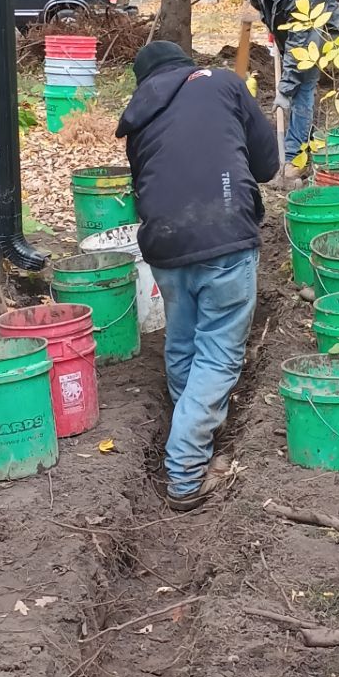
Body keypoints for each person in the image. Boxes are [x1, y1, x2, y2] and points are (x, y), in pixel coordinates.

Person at [117, 41, 280, 510]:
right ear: (186, 66)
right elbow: (268, 165)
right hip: (225, 238)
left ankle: (192, 429)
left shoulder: (139, 121)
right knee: (217, 356)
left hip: (165, 247)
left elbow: (146, 185)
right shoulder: (223, 83)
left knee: (184, 342)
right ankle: (186, 473)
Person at [241, 0, 339, 165]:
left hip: (319, 29)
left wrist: (284, 91)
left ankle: (294, 157)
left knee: (301, 86)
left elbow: (299, 46)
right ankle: (305, 137)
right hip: (288, 26)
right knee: (294, 81)